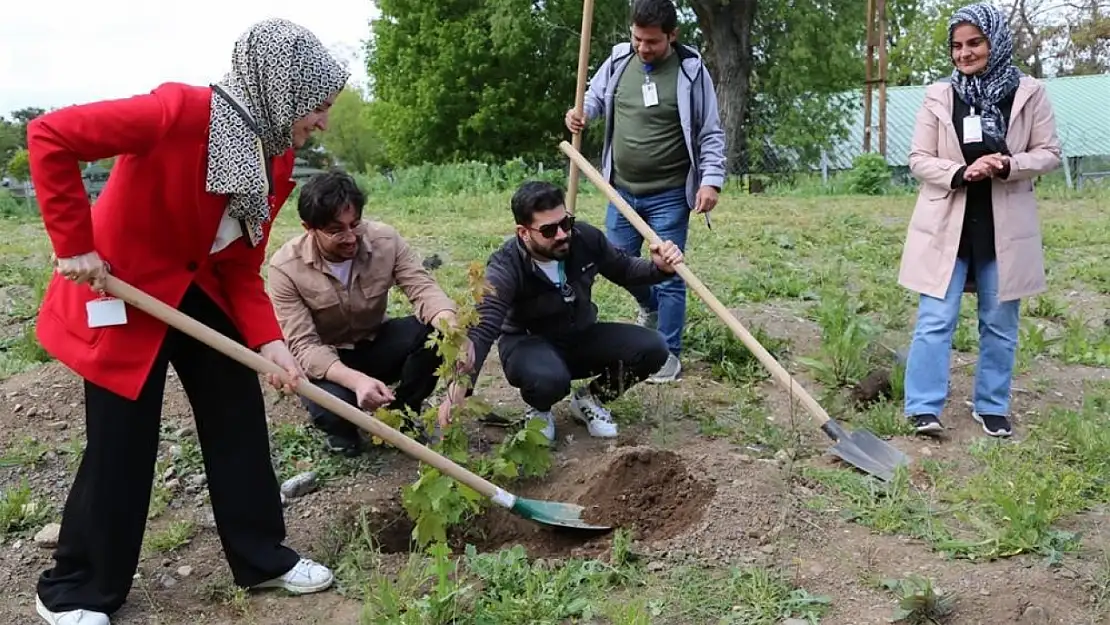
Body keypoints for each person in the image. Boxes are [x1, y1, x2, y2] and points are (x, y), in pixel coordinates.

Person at [26, 18, 349, 625]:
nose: (322, 121)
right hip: (124, 292)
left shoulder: (275, 160)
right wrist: (74, 242)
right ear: (281, 88)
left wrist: (269, 343)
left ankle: (262, 559)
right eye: (318, 106)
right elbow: (50, 135)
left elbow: (240, 268)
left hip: (197, 290)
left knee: (238, 418)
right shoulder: (176, 113)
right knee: (122, 441)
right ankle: (74, 589)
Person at [898, 2, 1061, 438]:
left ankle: (991, 405)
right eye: (957, 46)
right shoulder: (939, 96)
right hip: (948, 223)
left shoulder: (1029, 93)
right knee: (935, 317)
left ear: (995, 42)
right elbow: (917, 159)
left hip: (1003, 225)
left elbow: (1050, 153)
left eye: (974, 43)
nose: (965, 53)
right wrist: (960, 172)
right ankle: (923, 407)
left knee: (1000, 320)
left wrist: (1008, 165)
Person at [437, 180, 682, 442]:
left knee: (654, 347)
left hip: (579, 334)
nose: (562, 234)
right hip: (527, 343)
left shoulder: (585, 239)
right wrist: (461, 385)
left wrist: (659, 269)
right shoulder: (506, 265)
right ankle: (540, 410)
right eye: (549, 230)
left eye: (565, 223)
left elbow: (623, 268)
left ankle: (591, 399)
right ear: (524, 232)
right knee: (549, 380)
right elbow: (485, 326)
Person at [564, 0, 726, 383]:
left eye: (651, 41)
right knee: (618, 264)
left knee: (668, 272)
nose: (642, 48)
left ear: (672, 35)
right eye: (637, 38)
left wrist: (711, 179)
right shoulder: (620, 59)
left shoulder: (690, 72)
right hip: (620, 190)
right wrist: (580, 112)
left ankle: (667, 354)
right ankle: (648, 309)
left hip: (669, 192)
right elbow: (595, 97)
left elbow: (711, 131)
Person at [267, 170, 470, 456]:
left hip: (376, 342)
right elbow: (303, 346)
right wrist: (356, 380)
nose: (350, 237)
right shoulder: (284, 268)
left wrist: (453, 331)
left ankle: (404, 412)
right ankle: (343, 428)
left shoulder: (386, 241)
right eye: (337, 230)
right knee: (333, 412)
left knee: (433, 334)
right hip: (330, 362)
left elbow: (423, 290)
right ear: (309, 227)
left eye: (356, 224)